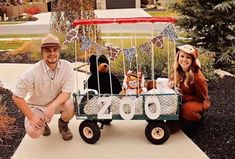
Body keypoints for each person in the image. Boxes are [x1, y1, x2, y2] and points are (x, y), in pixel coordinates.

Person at [12, 34, 75, 141]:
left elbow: (67, 92)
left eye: (55, 50)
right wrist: (32, 117)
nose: (52, 53)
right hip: (38, 106)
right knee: (34, 132)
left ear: (59, 51)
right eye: (47, 50)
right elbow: (17, 97)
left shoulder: (67, 67)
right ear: (42, 52)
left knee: (71, 106)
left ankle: (63, 124)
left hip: (58, 104)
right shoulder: (32, 72)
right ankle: (43, 123)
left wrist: (52, 106)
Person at [168, 44, 211, 133]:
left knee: (186, 110)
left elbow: (202, 98)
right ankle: (178, 119)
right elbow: (172, 76)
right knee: (170, 127)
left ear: (193, 60)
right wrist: (172, 81)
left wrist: (183, 98)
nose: (184, 60)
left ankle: (197, 119)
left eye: (188, 57)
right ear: (178, 57)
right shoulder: (178, 68)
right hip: (182, 97)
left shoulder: (198, 78)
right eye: (182, 56)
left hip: (197, 101)